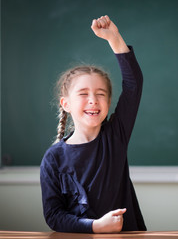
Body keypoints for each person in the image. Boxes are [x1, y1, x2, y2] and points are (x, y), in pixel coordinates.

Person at [40, 15, 146, 233]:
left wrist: (114, 39)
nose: (92, 100)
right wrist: (95, 227)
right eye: (83, 94)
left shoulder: (115, 136)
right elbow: (54, 215)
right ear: (66, 103)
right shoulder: (53, 159)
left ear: (108, 102)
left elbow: (133, 85)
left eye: (100, 94)